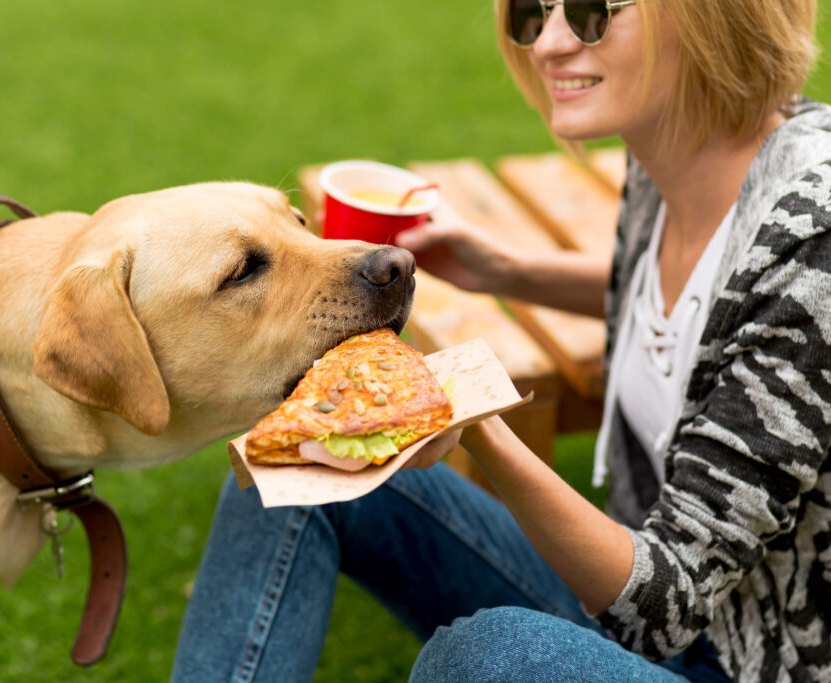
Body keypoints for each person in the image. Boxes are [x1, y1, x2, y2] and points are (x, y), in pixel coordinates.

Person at [172, 0, 831, 680]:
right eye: (531, 12)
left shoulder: (816, 250)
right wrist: (503, 270)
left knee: (488, 657)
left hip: (746, 652)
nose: (547, 44)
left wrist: (471, 418)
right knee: (283, 474)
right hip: (654, 601)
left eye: (592, 10)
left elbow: (666, 604)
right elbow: (702, 298)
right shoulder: (675, 147)